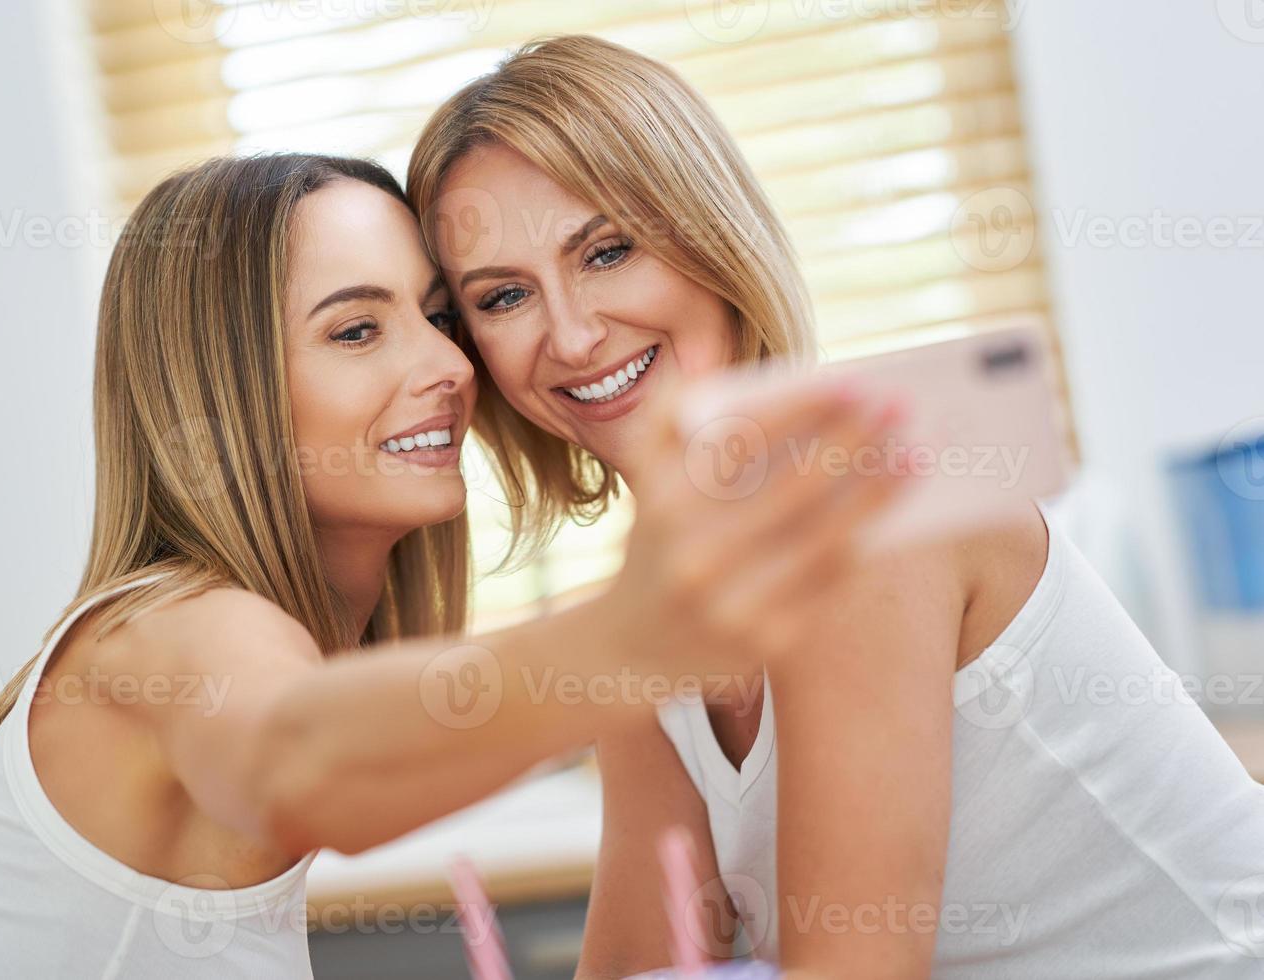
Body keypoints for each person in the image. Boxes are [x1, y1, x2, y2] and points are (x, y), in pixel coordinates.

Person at [0, 152, 904, 978]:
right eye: (357, 330)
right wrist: (631, 635)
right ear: (226, 392)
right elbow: (296, 765)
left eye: (441, 317)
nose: (447, 366)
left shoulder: (265, 633)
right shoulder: (170, 628)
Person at [408, 34, 1264, 979]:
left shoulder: (870, 506)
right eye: (503, 297)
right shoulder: (647, 620)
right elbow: (646, 962)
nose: (569, 335)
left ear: (711, 237)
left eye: (608, 250)